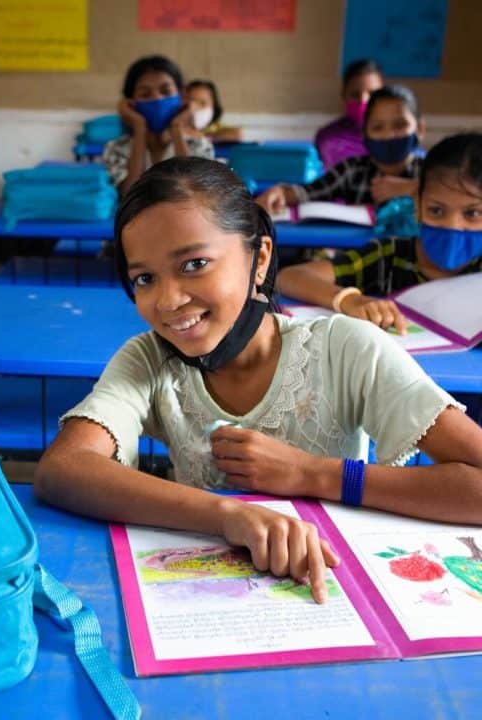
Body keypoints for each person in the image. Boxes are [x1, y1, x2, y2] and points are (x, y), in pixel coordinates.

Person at [34, 157, 482, 605]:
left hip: (334, 591)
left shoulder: (345, 348)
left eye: (194, 264)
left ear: (260, 258)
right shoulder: (149, 359)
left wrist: (314, 475)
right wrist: (228, 515)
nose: (168, 300)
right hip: (207, 595)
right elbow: (64, 469)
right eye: (145, 278)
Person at [277, 132, 482, 333]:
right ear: (418, 206)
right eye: (436, 210)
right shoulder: (390, 257)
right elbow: (289, 277)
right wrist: (349, 299)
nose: (452, 225)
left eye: (472, 213)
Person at [257, 85, 424, 215]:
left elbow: (448, 200)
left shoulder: (431, 172)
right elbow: (309, 192)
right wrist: (280, 192)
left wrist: (412, 189)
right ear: (364, 134)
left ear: (420, 129)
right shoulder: (351, 170)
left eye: (400, 125)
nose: (388, 135)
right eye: (378, 127)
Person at [103, 55, 214, 196]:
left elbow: (195, 194)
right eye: (145, 94)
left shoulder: (199, 145)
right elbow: (129, 196)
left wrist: (177, 128)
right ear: (131, 102)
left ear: (181, 96)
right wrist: (139, 127)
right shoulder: (116, 149)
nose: (157, 98)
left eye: (166, 91)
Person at [315, 59, 384, 169]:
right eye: (355, 94)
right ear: (344, 96)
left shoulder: (392, 138)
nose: (363, 101)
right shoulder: (328, 138)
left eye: (372, 94)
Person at [185, 79, 244, 143]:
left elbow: (237, 134)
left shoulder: (215, 127)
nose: (196, 108)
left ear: (213, 105)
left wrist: (200, 136)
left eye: (202, 103)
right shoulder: (176, 126)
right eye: (191, 102)